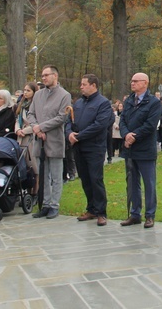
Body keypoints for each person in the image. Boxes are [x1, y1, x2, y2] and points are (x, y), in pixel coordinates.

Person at [20, 65, 71, 220]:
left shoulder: (64, 95)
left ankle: (54, 205)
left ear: (55, 76)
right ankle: (45, 204)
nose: (43, 78)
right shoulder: (38, 95)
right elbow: (31, 113)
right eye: (42, 75)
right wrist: (36, 128)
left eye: (46, 75)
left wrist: (41, 127)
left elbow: (62, 117)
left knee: (56, 175)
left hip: (54, 140)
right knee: (43, 174)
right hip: (38, 140)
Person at [66, 74, 114, 226]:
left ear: (93, 85)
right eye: (81, 84)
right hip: (79, 147)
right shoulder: (78, 103)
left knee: (95, 179)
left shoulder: (103, 103)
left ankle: (101, 212)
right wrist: (69, 134)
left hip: (94, 147)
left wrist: (79, 136)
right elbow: (69, 121)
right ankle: (91, 208)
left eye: (84, 84)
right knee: (85, 179)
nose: (81, 87)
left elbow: (100, 125)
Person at [119, 72, 162, 228]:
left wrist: (134, 136)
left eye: (136, 81)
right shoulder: (129, 100)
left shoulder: (154, 103)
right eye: (131, 81)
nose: (132, 83)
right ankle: (134, 213)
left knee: (149, 183)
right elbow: (122, 119)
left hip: (145, 149)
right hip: (130, 150)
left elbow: (150, 125)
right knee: (132, 182)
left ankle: (150, 215)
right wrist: (126, 135)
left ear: (145, 83)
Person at [15, 82, 40, 196]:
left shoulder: (36, 105)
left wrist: (25, 131)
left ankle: (36, 189)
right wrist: (18, 130)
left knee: (33, 164)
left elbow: (38, 122)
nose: (25, 92)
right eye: (24, 90)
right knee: (23, 163)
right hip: (21, 137)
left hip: (31, 136)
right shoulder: (22, 105)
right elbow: (17, 119)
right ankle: (27, 189)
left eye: (28, 90)